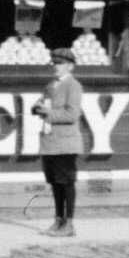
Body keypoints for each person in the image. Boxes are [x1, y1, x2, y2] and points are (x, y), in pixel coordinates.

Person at [35, 46, 86, 236]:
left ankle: (69, 224)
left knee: (66, 183)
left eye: (60, 63)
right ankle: (58, 220)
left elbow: (72, 114)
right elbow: (42, 103)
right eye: (54, 63)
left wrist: (48, 113)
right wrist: (37, 107)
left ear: (70, 66)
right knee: (55, 183)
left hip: (66, 143)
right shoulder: (50, 85)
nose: (55, 66)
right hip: (50, 141)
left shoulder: (73, 86)